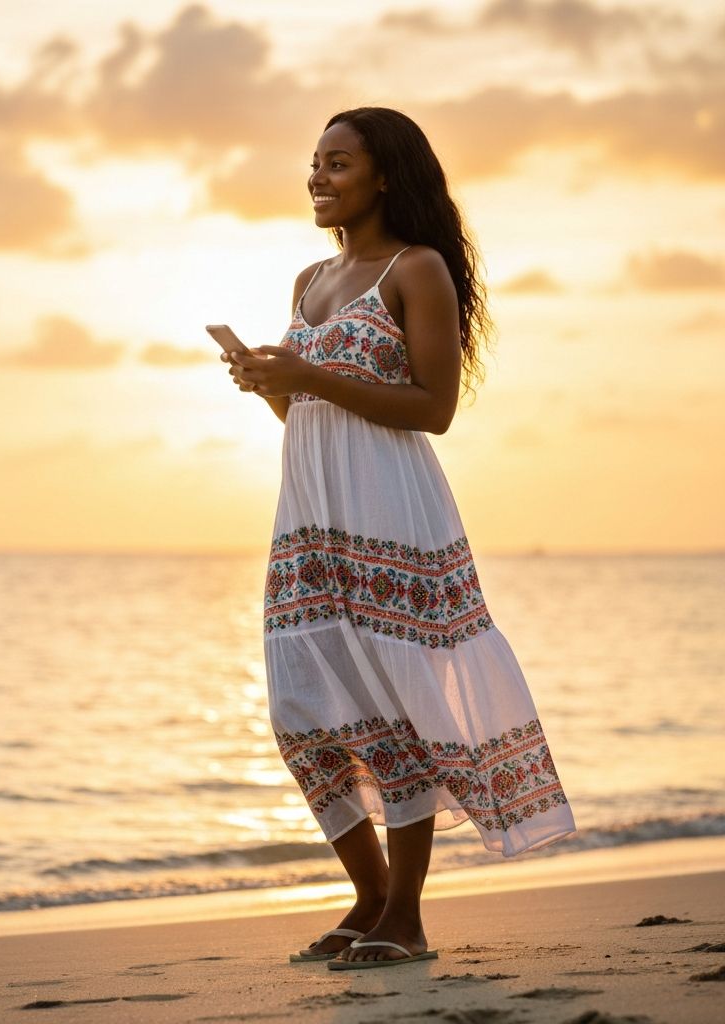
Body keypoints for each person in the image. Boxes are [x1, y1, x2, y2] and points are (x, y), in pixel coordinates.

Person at [222, 107, 576, 970]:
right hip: (308, 516)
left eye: (337, 163)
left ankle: (404, 919)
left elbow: (435, 410)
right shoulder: (309, 279)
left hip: (390, 507)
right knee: (302, 709)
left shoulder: (416, 269)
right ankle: (371, 895)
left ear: (385, 176)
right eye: (313, 162)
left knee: (395, 707)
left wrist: (310, 373)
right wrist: (272, 384)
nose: (318, 177)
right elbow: (307, 408)